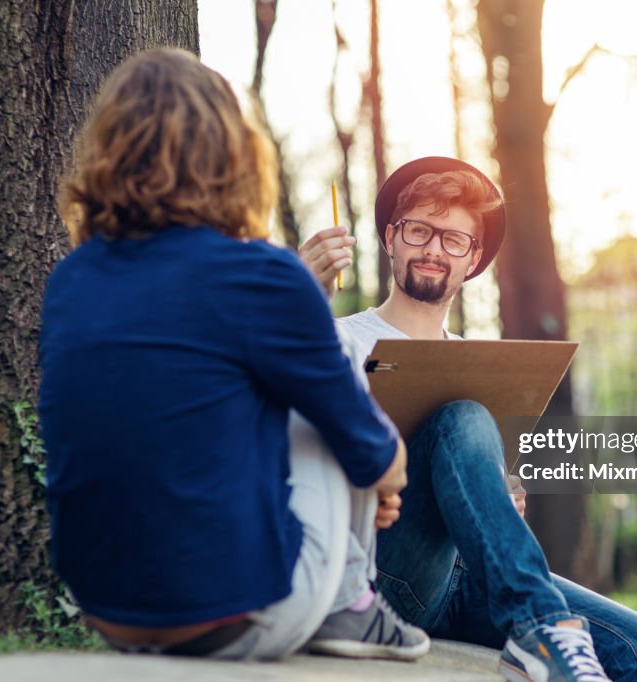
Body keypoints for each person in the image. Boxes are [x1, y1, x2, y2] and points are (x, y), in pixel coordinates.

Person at [38, 48, 427, 661]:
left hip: (106, 610)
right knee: (337, 374)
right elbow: (382, 462)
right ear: (234, 154)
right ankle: (352, 603)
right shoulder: (264, 275)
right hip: (235, 617)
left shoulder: (72, 279)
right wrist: (382, 475)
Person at [299, 157, 637, 681]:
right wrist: (298, 299)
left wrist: (499, 497)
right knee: (461, 415)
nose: (435, 249)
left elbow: (484, 487)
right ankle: (542, 629)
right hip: (386, 571)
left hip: (472, 578)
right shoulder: (334, 338)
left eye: (454, 240)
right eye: (419, 230)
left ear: (473, 258)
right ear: (391, 238)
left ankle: (540, 630)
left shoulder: (482, 365)